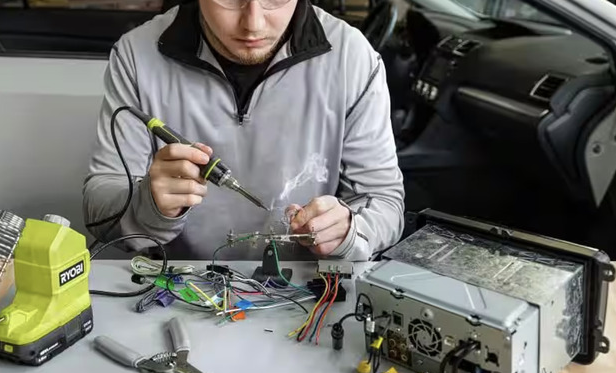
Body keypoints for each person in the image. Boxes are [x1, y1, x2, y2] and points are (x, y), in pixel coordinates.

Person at [83, 0, 405, 261]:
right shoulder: (136, 56)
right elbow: (98, 209)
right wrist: (149, 205)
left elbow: (386, 204)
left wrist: (350, 230)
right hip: (183, 294)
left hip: (306, 298)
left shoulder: (352, 58)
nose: (253, 24)